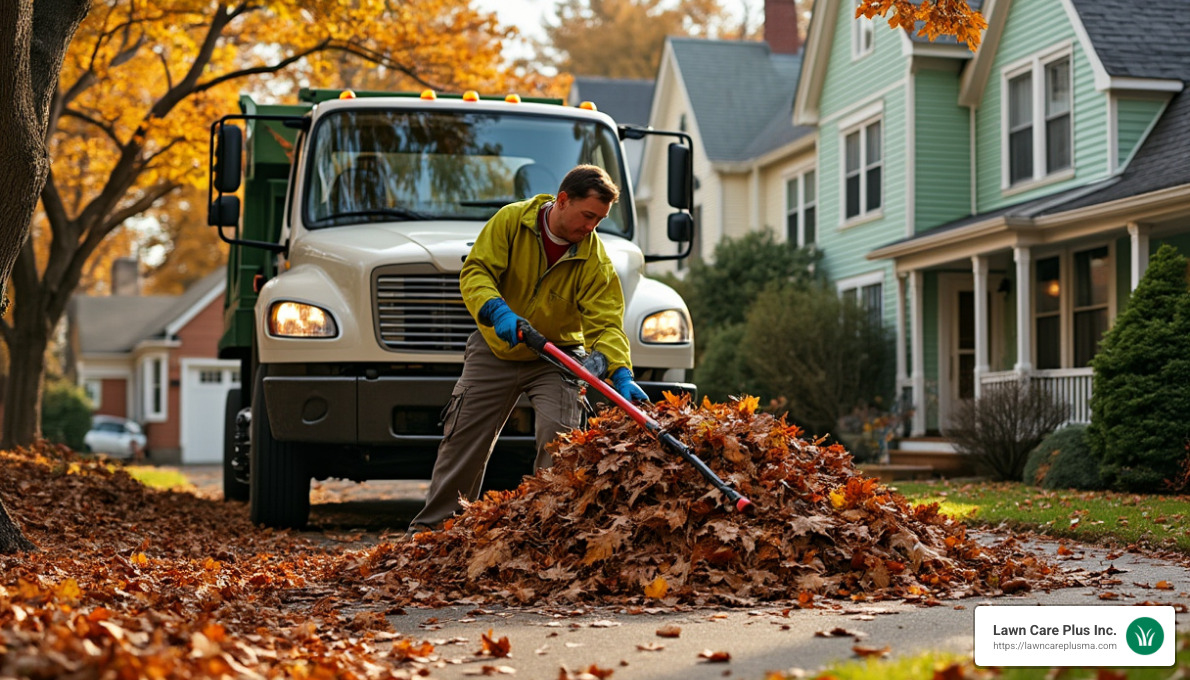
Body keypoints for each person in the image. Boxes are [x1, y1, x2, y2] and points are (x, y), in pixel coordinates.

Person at [407, 164, 648, 533]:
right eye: (588, 216)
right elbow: (476, 272)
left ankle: (545, 531)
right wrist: (496, 310)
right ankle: (433, 532)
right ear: (563, 200)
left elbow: (607, 323)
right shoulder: (511, 222)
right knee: (463, 439)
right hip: (496, 349)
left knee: (561, 437)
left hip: (557, 357)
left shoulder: (594, 259)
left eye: (599, 220)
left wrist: (621, 371)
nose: (591, 227)